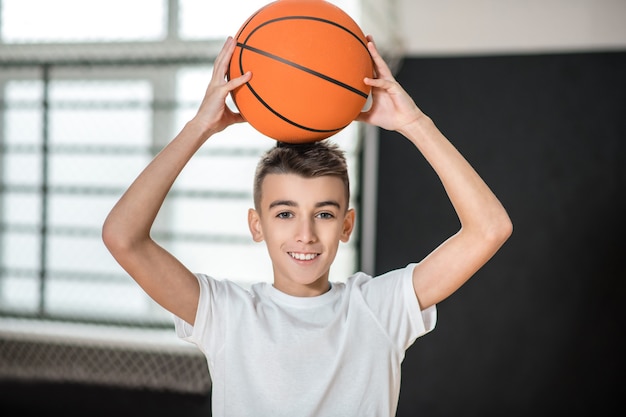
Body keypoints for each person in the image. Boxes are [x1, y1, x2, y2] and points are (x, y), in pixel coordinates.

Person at [102, 35, 512, 417]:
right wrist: (199, 127)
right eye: (284, 213)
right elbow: (122, 236)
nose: (305, 234)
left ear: (347, 224)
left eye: (324, 213)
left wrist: (415, 124)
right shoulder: (226, 315)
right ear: (256, 224)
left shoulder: (377, 309)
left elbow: (490, 228)